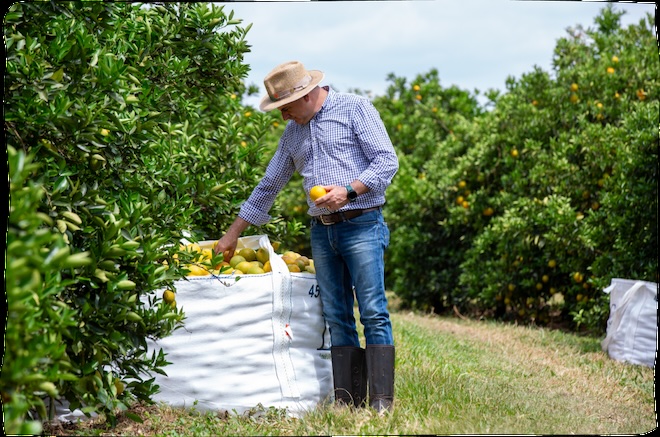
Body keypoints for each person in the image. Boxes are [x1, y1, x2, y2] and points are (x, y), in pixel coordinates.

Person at [213, 61, 399, 414]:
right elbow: (269, 185)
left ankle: (380, 403)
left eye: (286, 108)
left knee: (373, 311)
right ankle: (349, 400)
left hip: (362, 224)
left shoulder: (355, 109)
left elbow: (386, 161)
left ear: (307, 94)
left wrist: (348, 191)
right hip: (323, 232)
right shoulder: (293, 135)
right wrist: (232, 234)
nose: (284, 116)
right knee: (336, 314)